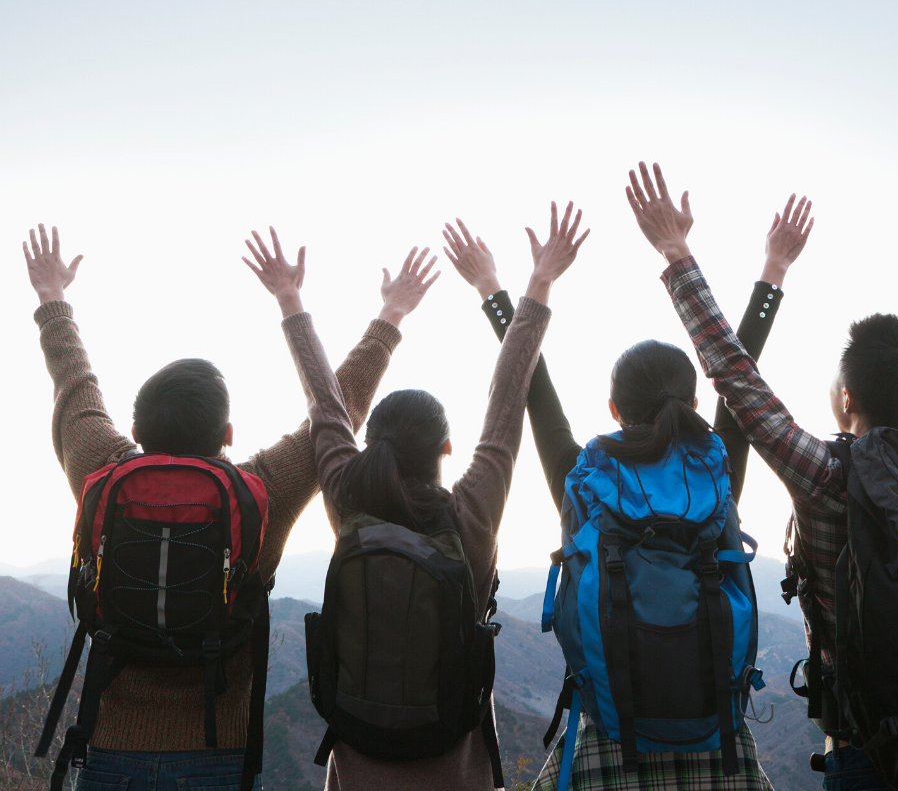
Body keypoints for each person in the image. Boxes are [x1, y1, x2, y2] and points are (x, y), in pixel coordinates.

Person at [624, 161, 898, 791]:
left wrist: (676, 253)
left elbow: (735, 377)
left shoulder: (830, 477)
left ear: (846, 402)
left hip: (871, 757)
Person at [22, 224, 427, 791]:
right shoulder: (259, 492)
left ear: (136, 430)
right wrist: (389, 317)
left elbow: (74, 386)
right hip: (219, 754)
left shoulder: (102, 475)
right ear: (228, 433)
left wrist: (52, 299)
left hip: (112, 749)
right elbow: (338, 410)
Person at [441, 197, 813, 791]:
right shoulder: (713, 474)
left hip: (608, 749)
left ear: (613, 410)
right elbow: (740, 374)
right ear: (694, 407)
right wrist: (773, 270)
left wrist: (503, 287)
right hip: (720, 747)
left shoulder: (585, 480)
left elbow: (531, 385)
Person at [311, 201, 588, 791]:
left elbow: (325, 405)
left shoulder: (347, 508)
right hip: (455, 772)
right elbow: (508, 395)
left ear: (371, 444)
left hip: (356, 771)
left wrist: (299, 304)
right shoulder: (469, 520)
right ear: (446, 448)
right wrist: (534, 284)